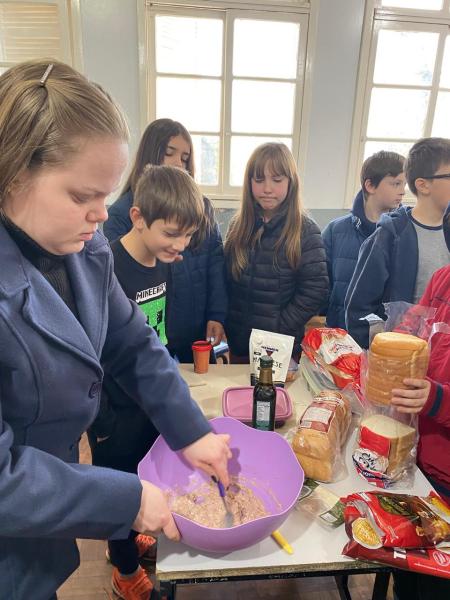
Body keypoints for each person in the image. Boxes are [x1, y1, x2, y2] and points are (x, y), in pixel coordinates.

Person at [0, 60, 231, 600]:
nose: (102, 215)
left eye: (106, 196)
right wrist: (127, 499)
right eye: (83, 197)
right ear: (12, 174)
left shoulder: (82, 247)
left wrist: (192, 431)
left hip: (39, 527)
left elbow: (132, 343)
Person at [89, 164, 206, 598]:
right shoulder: (107, 266)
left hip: (148, 399)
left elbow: (153, 334)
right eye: (172, 233)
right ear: (138, 217)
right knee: (118, 486)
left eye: (188, 236)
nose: (181, 246)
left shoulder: (162, 261)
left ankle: (127, 536)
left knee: (146, 476)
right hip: (113, 408)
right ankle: (123, 568)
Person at [103, 118, 227, 362]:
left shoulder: (200, 208)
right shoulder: (118, 222)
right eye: (170, 153)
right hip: (145, 348)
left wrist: (217, 313)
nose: (180, 246)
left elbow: (215, 261)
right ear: (138, 218)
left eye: (184, 157)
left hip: (189, 332)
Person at [224, 142, 329, 363]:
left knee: (274, 398)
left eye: (277, 180)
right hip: (239, 343)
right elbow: (227, 280)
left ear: (291, 183)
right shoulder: (238, 226)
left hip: (279, 347)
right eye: (259, 180)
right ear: (249, 182)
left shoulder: (305, 231)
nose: (267, 188)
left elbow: (315, 290)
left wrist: (278, 327)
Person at [345, 137, 450, 348]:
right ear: (423, 185)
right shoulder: (388, 237)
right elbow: (359, 311)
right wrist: (386, 351)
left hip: (442, 366)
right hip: (400, 359)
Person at [388, 264, 450, 599]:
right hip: (419, 468)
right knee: (408, 577)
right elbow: (412, 329)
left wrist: (437, 398)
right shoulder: (444, 278)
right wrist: (391, 345)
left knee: (436, 588)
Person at [322, 151, 405, 329]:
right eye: (396, 183)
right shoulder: (335, 231)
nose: (403, 191)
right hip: (338, 335)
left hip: (385, 340)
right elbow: (322, 283)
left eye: (403, 184)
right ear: (370, 185)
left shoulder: (405, 234)